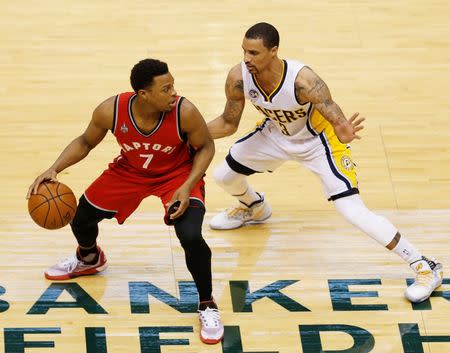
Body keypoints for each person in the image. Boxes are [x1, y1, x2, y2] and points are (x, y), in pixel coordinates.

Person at [207, 22, 443, 303]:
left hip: (319, 143)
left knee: (353, 212)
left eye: (254, 53)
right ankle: (255, 207)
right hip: (276, 135)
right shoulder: (238, 77)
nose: (247, 59)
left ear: (274, 51)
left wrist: (343, 129)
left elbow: (335, 116)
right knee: (223, 176)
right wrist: (184, 133)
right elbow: (228, 122)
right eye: (244, 51)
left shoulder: (303, 81)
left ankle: (424, 266)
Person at [27, 58, 224, 344]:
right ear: (143, 95)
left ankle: (207, 304)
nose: (174, 93)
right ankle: (89, 257)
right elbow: (85, 142)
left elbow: (206, 146)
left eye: (173, 86)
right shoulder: (111, 110)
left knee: (191, 235)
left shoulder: (185, 111)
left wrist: (187, 185)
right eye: (166, 88)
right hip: (131, 171)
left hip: (177, 175)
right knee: (81, 218)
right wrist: (54, 167)